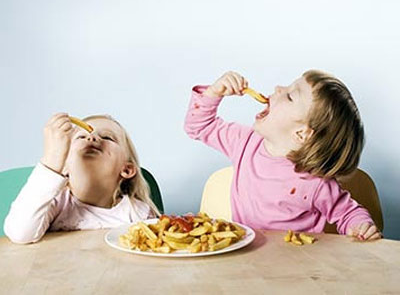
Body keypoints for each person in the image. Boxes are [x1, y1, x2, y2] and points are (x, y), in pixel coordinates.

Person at [184, 70, 381, 241]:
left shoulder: (315, 182)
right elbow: (198, 127)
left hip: (296, 269)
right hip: (246, 261)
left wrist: (361, 227)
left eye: (289, 96)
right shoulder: (244, 142)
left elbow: (347, 213)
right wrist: (213, 93)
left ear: (301, 133)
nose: (278, 88)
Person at [4, 114, 159, 244]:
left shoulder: (138, 213)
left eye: (107, 137)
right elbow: (20, 234)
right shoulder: (56, 204)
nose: (92, 137)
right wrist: (51, 161)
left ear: (126, 169)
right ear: (64, 166)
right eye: (81, 136)